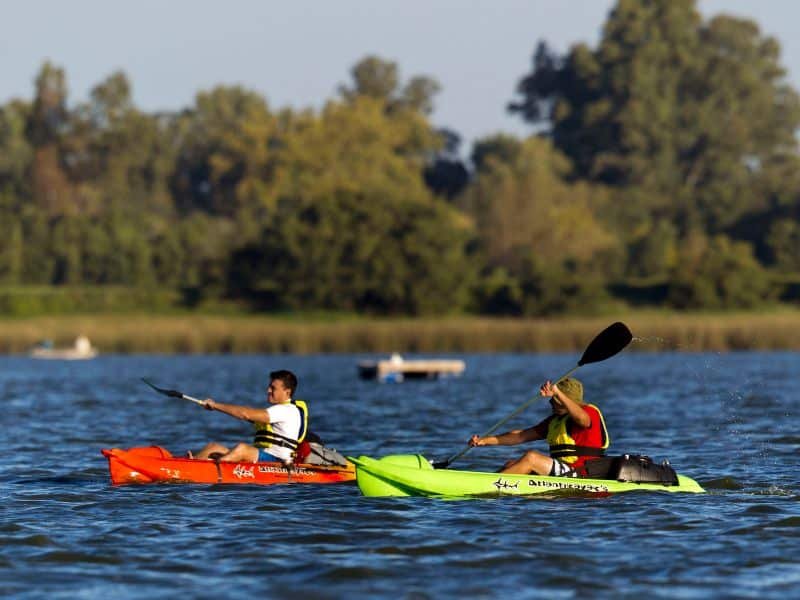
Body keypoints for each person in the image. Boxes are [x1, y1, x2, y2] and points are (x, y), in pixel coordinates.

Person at [468, 377, 609, 477]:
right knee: (511, 464)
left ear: (566, 401)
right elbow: (519, 436)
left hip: (583, 473)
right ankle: (485, 484)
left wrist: (558, 392)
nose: (550, 403)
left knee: (532, 458)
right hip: (565, 471)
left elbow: (582, 419)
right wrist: (485, 441)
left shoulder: (589, 412)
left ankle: (488, 486)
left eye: (554, 400)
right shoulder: (555, 421)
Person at [189, 369, 308, 465]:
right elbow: (243, 413)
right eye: (269, 386)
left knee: (242, 449)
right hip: (262, 455)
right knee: (213, 447)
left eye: (273, 388)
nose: (268, 390)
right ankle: (188, 464)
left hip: (276, 461)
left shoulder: (286, 410)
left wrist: (215, 405)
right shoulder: (277, 410)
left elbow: (244, 414)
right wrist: (215, 407)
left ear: (287, 392)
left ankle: (208, 470)